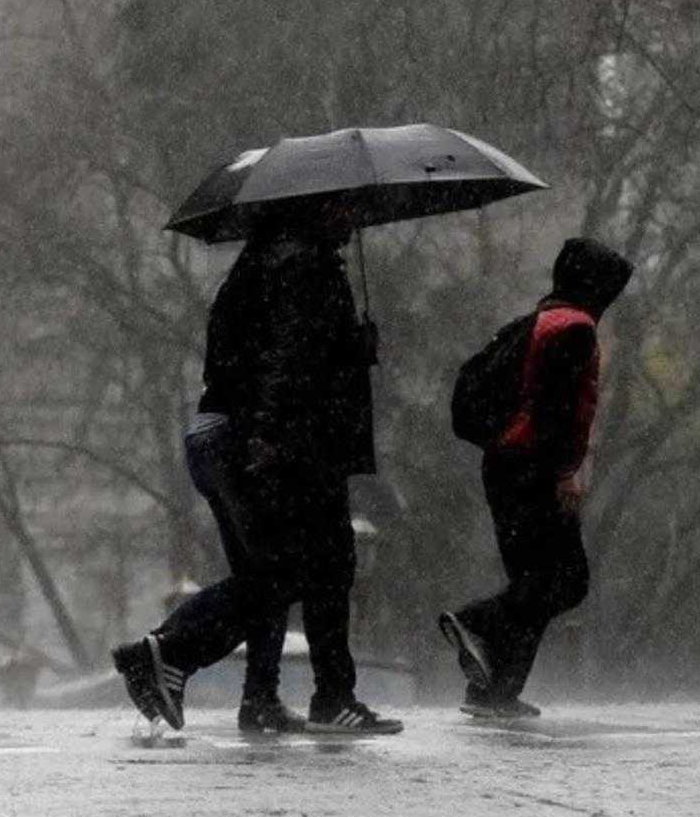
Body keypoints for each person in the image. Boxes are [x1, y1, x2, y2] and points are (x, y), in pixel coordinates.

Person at [112, 203, 403, 736]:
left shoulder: (252, 268)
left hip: (216, 434)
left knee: (268, 570)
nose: (354, 219)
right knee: (306, 568)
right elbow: (287, 358)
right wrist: (269, 431)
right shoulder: (304, 264)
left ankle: (261, 696)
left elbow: (259, 353)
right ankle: (167, 651)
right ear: (315, 213)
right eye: (345, 209)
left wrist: (349, 349)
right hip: (274, 440)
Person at [439, 238, 633, 718]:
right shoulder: (576, 330)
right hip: (534, 464)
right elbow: (557, 409)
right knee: (567, 580)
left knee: (533, 583)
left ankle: (495, 691)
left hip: (503, 462)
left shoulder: (535, 321)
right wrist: (565, 471)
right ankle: (476, 622)